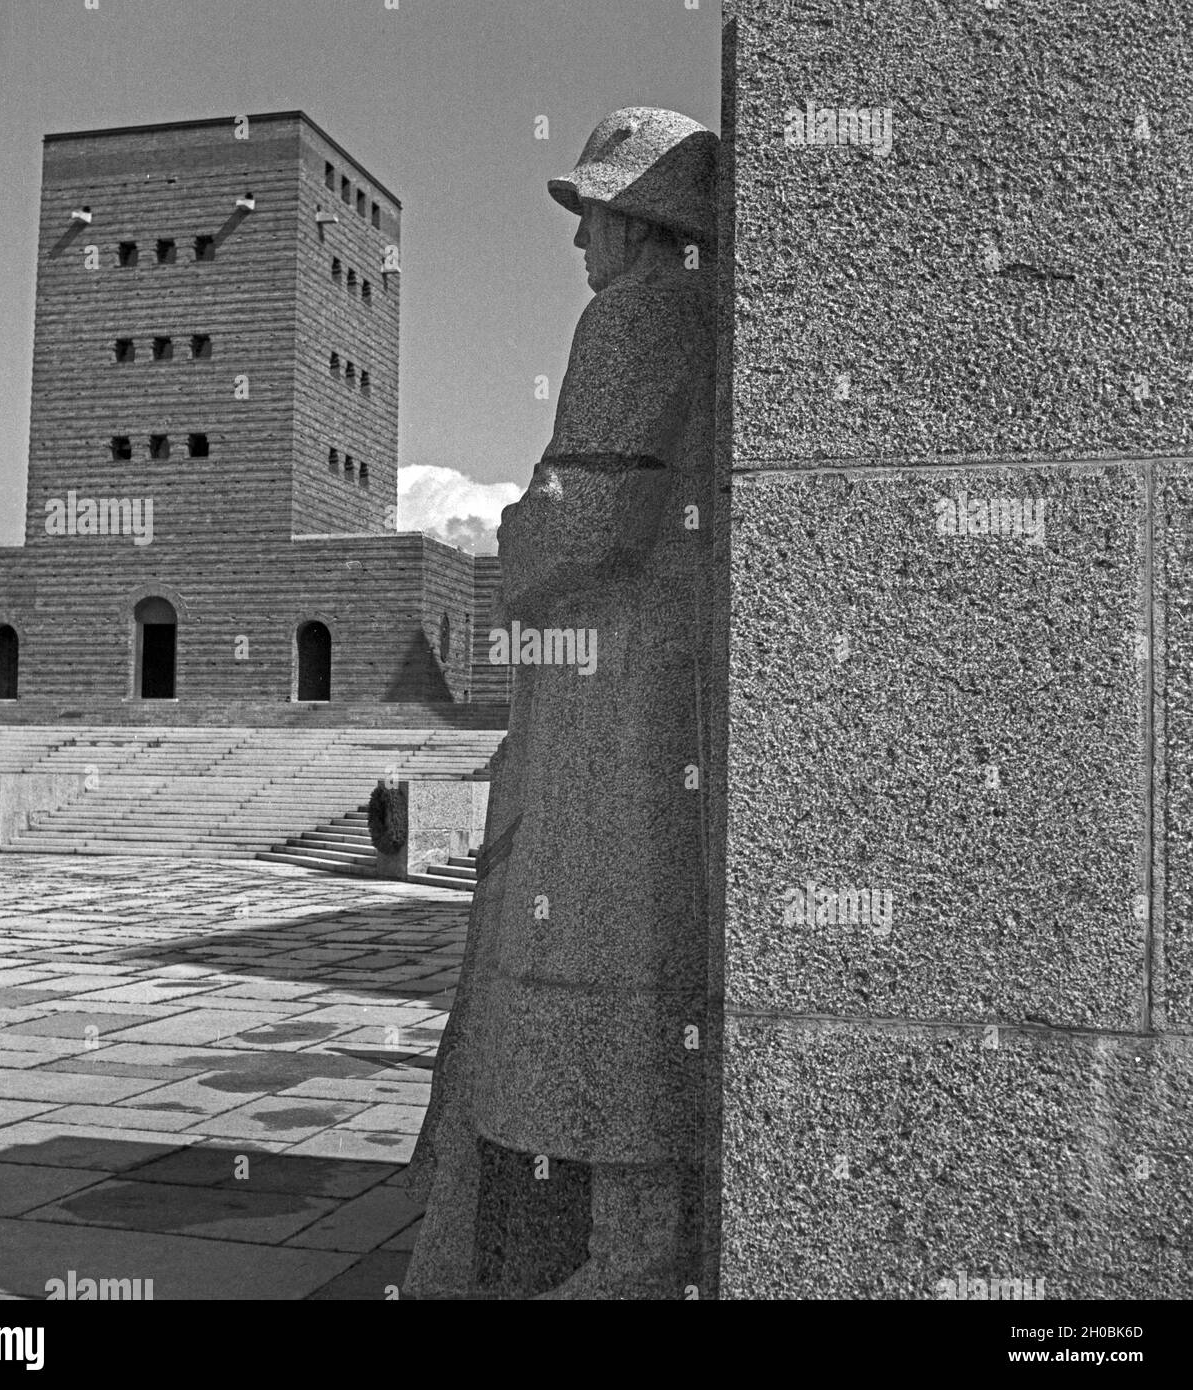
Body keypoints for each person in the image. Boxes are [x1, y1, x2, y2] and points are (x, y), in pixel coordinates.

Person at [404, 107, 718, 1299]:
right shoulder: (703, 313)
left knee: (599, 939)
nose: (577, 240)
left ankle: (632, 1248)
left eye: (589, 212)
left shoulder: (635, 312)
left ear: (633, 217)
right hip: (652, 661)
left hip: (611, 673)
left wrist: (512, 533)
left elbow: (589, 512)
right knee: (620, 942)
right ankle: (635, 1234)